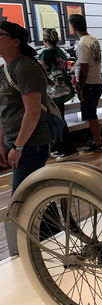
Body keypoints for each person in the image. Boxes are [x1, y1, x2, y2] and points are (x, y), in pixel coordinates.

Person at [0, 21, 52, 194]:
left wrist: (18, 147)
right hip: (15, 142)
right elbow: (3, 109)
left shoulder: (25, 67)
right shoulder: (5, 69)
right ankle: (56, 222)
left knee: (22, 198)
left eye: (1, 35)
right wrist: (2, 143)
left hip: (30, 144)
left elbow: (33, 111)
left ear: (16, 41)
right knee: (35, 196)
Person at [38, 28, 78, 160]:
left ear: (44, 39)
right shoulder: (60, 51)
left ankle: (67, 148)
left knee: (57, 120)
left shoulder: (46, 53)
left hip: (53, 91)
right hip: (63, 89)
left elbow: (42, 69)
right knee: (60, 118)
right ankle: (61, 147)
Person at [69, 14, 102, 152]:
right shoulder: (93, 39)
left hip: (89, 84)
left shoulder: (83, 43)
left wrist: (80, 87)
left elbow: (84, 66)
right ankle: (97, 139)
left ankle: (98, 141)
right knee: (92, 114)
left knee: (91, 115)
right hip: (96, 81)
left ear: (73, 27)